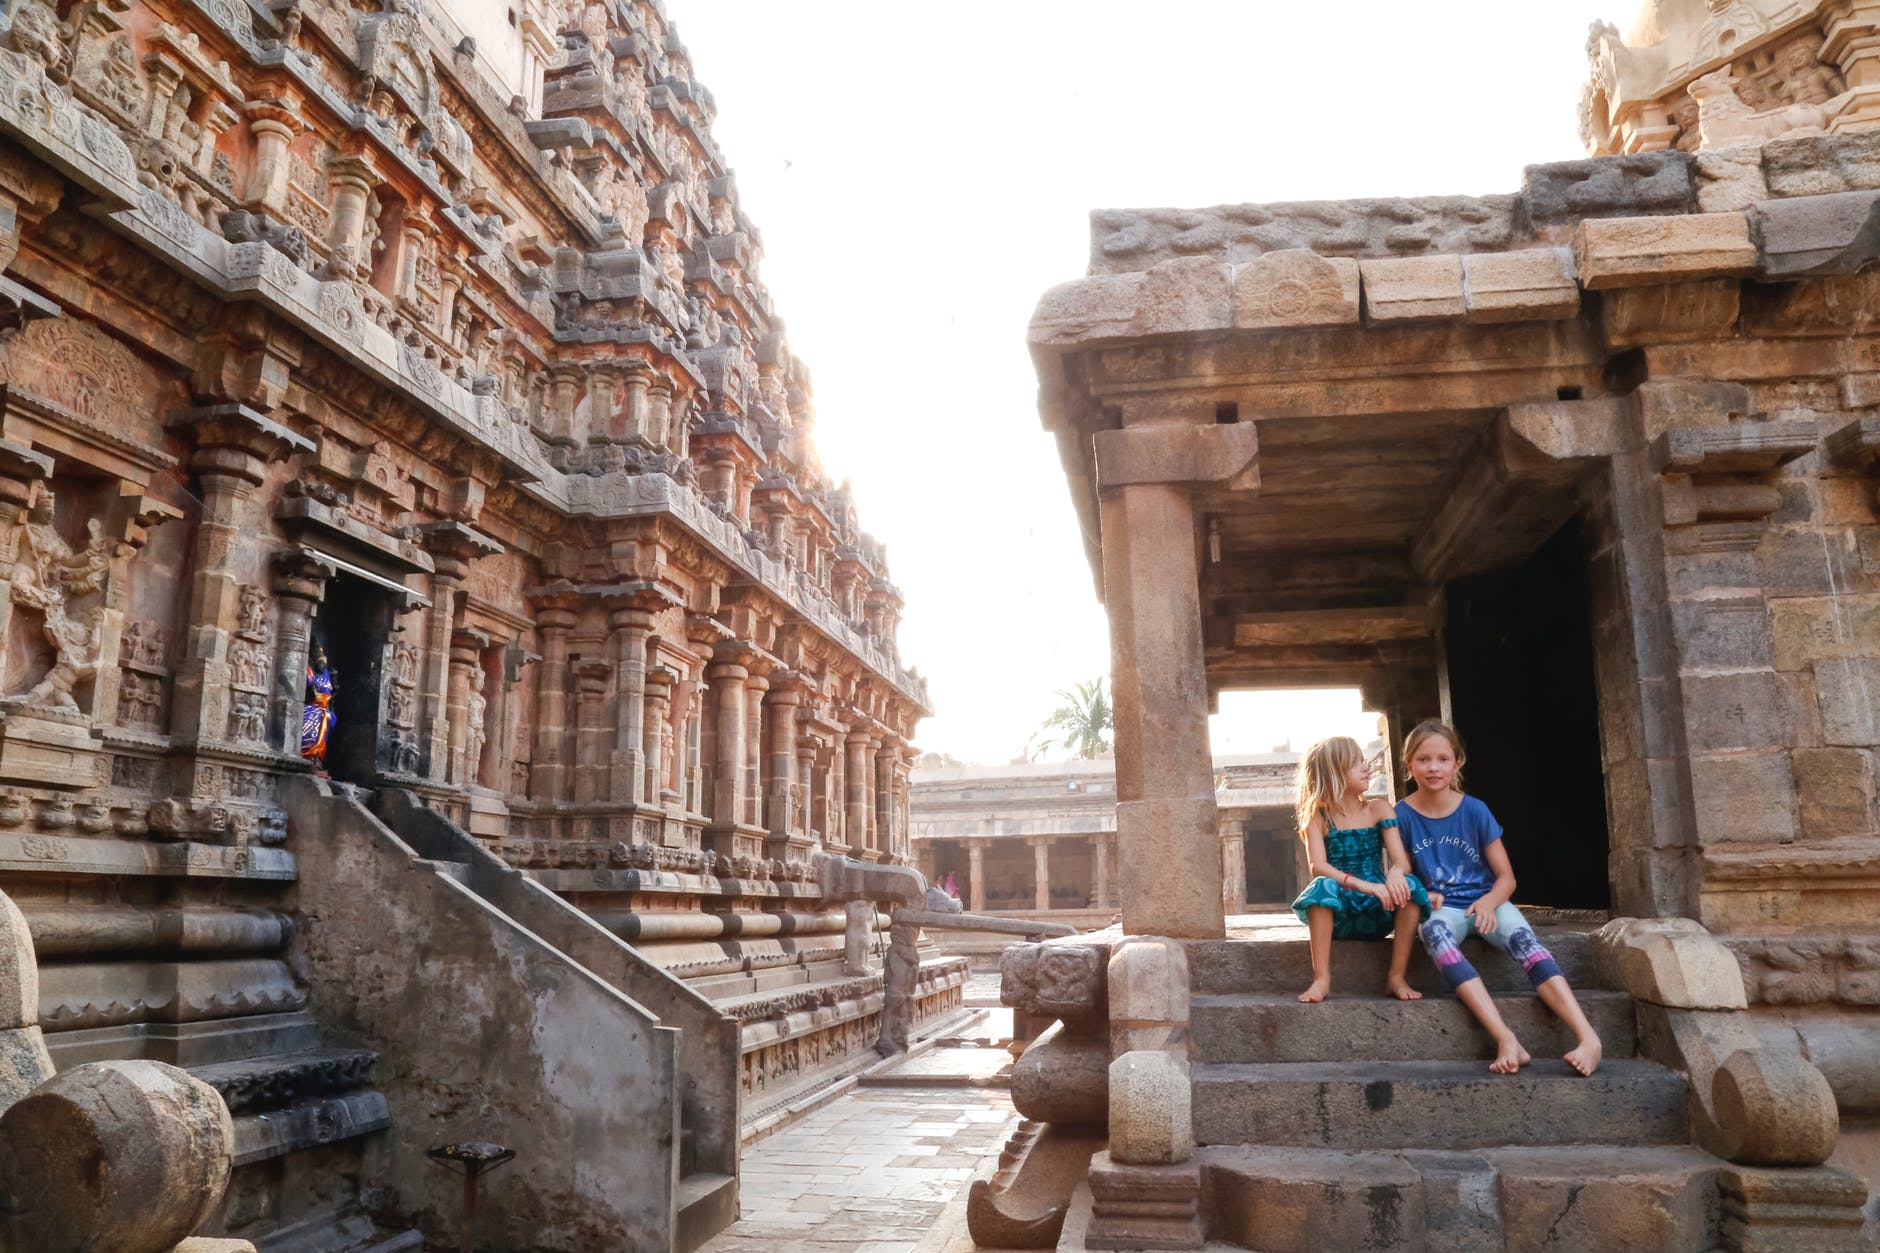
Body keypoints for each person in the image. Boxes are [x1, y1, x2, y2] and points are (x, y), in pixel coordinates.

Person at [1396, 719, 1603, 1076]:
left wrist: (1490, 902)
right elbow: (1401, 870)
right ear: (1409, 764)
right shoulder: (1401, 815)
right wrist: (1421, 891)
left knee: (1526, 941)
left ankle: (1589, 1038)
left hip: (1488, 903)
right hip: (1444, 909)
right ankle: (1506, 1038)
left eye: (1443, 759)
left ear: (1457, 763)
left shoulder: (1475, 810)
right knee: (1435, 935)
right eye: (1424, 759)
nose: (1433, 768)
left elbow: (1507, 878)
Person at [1289, 736, 1430, 1004]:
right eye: (1356, 764)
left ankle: (1396, 976)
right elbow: (1317, 866)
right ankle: (1322, 978)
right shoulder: (1317, 817)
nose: (1366, 768)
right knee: (1321, 886)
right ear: (1333, 773)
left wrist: (1395, 874)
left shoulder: (1379, 809)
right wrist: (1361, 885)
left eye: (1364, 761)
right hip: (1340, 912)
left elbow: (1401, 861)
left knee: (1410, 885)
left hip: (1381, 907)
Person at [301, 641, 337, 770]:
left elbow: (333, 692)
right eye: (318, 657)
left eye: (323, 657)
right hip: (311, 706)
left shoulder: (328, 674)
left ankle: (316, 758)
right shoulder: (309, 672)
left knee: (327, 717)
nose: (322, 660)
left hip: (324, 708)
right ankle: (307, 756)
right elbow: (307, 690)